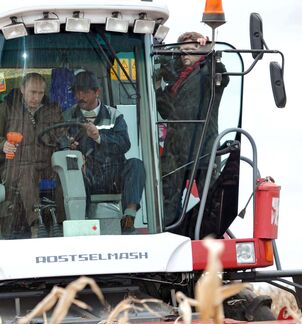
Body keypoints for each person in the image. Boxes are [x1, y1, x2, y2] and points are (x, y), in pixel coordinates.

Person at [156, 32, 230, 225]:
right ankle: (170, 233)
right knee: (168, 201)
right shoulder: (176, 82)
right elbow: (165, 111)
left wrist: (211, 53)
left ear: (202, 53)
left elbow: (223, 77)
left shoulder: (207, 74)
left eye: (190, 50)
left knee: (209, 201)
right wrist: (155, 88)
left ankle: (207, 236)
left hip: (202, 148)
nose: (184, 54)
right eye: (181, 51)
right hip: (176, 150)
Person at [63, 71, 145, 232]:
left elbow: (124, 144)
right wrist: (68, 146)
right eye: (77, 92)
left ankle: (128, 217)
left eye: (85, 92)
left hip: (113, 174)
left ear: (97, 92)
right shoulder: (67, 116)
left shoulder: (115, 115)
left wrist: (99, 137)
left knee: (136, 164)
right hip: (85, 175)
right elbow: (57, 141)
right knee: (72, 172)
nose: (80, 96)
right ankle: (81, 223)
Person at [0, 72, 63, 238]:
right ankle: (37, 226)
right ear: (22, 89)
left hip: (46, 166)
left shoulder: (53, 110)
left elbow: (63, 135)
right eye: (32, 92)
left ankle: (64, 225)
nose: (36, 97)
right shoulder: (6, 108)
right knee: (27, 172)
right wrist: (2, 144)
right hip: (14, 166)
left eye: (40, 93)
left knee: (64, 174)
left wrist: (70, 142)